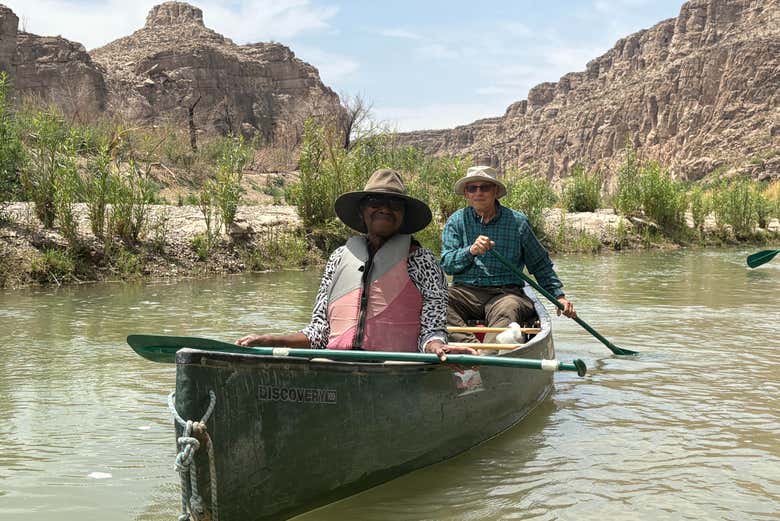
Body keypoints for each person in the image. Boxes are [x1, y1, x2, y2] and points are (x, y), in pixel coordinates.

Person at [237, 168, 476, 361]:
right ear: (362, 211)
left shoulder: (423, 261)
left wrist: (436, 346)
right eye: (375, 201)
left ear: (404, 215)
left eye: (395, 203)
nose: (384, 208)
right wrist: (271, 340)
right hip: (335, 364)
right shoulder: (339, 258)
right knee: (316, 361)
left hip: (396, 366)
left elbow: (432, 329)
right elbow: (319, 333)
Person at [440, 165, 576, 345]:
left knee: (509, 308)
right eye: (472, 188)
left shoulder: (517, 222)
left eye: (485, 187)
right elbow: (447, 264)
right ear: (466, 194)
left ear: (495, 191)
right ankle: (473, 348)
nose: (478, 192)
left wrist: (558, 296)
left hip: (506, 293)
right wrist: (470, 251)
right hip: (466, 292)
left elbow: (540, 264)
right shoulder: (456, 221)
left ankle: (489, 349)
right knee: (437, 300)